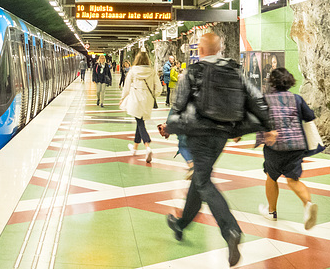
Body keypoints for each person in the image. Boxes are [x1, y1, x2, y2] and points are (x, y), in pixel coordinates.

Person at [164, 33, 277, 267]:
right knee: (200, 178)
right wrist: (269, 127)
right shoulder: (235, 71)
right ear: (220, 48)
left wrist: (169, 126)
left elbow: (179, 104)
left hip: (198, 133)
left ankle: (231, 231)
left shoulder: (193, 71)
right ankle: (181, 224)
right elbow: (256, 99)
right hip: (222, 134)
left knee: (204, 181)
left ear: (201, 50)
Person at [257, 68, 318, 230]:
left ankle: (272, 212)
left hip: (275, 146)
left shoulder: (266, 100)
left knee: (271, 176)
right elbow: (310, 116)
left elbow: (258, 119)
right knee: (293, 180)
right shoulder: (297, 99)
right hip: (296, 146)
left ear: (272, 82)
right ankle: (308, 204)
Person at [120, 51, 161, 163]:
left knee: (139, 121)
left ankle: (147, 146)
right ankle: (134, 148)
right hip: (147, 100)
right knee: (140, 121)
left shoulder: (133, 71)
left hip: (135, 100)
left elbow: (126, 86)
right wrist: (152, 97)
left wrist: (122, 98)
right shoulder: (152, 71)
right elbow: (159, 89)